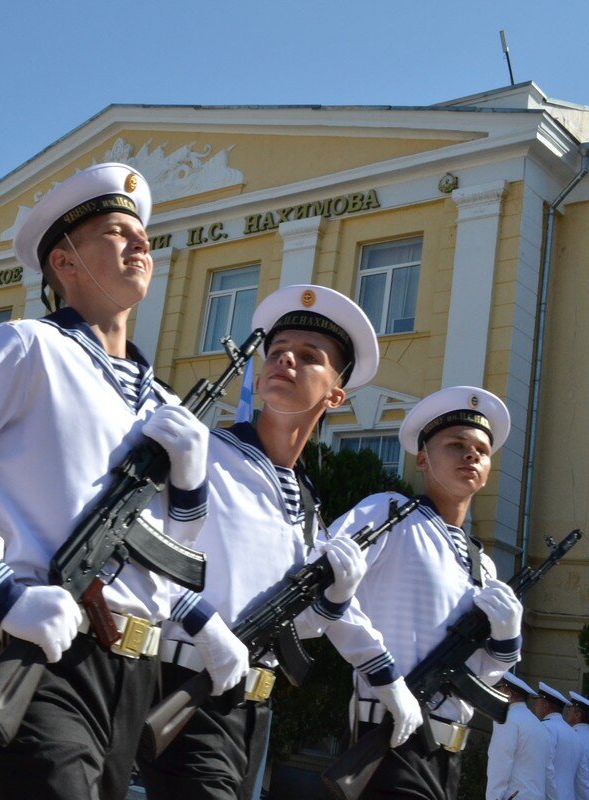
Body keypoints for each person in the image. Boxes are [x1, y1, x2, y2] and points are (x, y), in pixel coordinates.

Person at [0, 163, 212, 799]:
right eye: (117, 231)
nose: (141, 242)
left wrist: (191, 487)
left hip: (135, 669)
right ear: (64, 260)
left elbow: (181, 552)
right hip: (44, 646)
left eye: (142, 233)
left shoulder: (160, 401)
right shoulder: (27, 346)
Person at [140, 284, 419, 799]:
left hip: (254, 708)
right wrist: (202, 622)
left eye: (309, 357)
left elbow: (301, 627)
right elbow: (144, 554)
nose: (285, 360)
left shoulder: (306, 499)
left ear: (336, 394)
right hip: (187, 686)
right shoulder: (206, 452)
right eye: (278, 352)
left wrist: (334, 599)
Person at [329, 386, 525, 798]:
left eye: (481, 451)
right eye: (455, 445)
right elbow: (320, 583)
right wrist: (384, 675)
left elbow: (475, 677)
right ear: (422, 458)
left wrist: (506, 644)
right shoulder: (389, 513)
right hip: (390, 736)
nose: (471, 455)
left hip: (447, 752)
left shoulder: (481, 563)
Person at [485, 672, 553, 800]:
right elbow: (549, 772)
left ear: (507, 694)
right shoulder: (539, 725)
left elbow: (500, 765)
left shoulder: (506, 719)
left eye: (498, 689)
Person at [534, 682, 589, 800]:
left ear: (544, 705)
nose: (535, 707)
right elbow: (582, 780)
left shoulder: (545, 727)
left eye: (537, 702)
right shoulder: (573, 735)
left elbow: (544, 768)